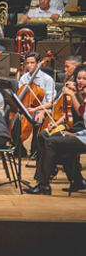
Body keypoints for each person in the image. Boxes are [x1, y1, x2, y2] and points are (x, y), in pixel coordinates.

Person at [30, 64, 86, 193]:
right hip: (79, 132)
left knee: (51, 142)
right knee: (48, 138)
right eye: (79, 78)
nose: (80, 81)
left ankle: (44, 183)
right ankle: (76, 180)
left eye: (84, 78)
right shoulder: (76, 91)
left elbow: (80, 111)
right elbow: (67, 112)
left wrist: (73, 94)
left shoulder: (78, 93)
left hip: (79, 130)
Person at [18, 53, 56, 158]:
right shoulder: (23, 79)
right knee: (14, 120)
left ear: (38, 63)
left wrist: (39, 110)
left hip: (41, 109)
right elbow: (21, 97)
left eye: (32, 63)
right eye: (27, 63)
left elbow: (50, 102)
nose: (29, 65)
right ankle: (19, 148)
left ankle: (35, 150)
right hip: (26, 108)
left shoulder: (47, 79)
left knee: (38, 120)